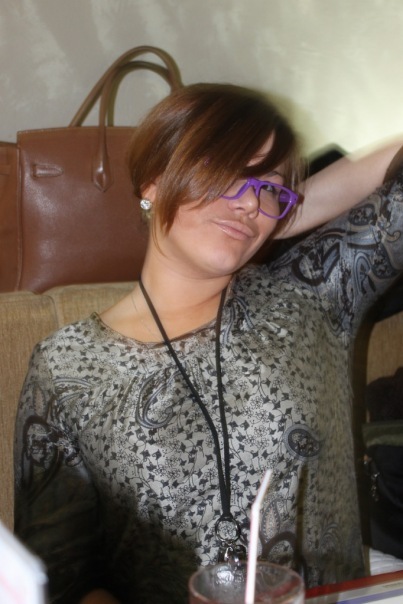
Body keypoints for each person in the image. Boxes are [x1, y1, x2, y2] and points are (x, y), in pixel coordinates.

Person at [13, 83, 403, 604]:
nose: (249, 201)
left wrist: (275, 219)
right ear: (154, 180)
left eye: (268, 188)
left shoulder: (313, 297)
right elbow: (58, 570)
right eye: (225, 172)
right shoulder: (66, 365)